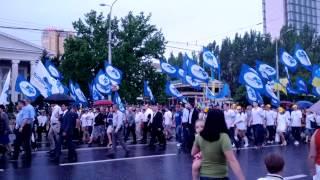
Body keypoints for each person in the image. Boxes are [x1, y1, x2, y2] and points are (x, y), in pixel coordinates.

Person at [191, 109, 245, 180]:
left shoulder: (200, 136)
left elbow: (193, 152)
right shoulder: (223, 137)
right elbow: (232, 160)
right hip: (220, 176)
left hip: (204, 175)